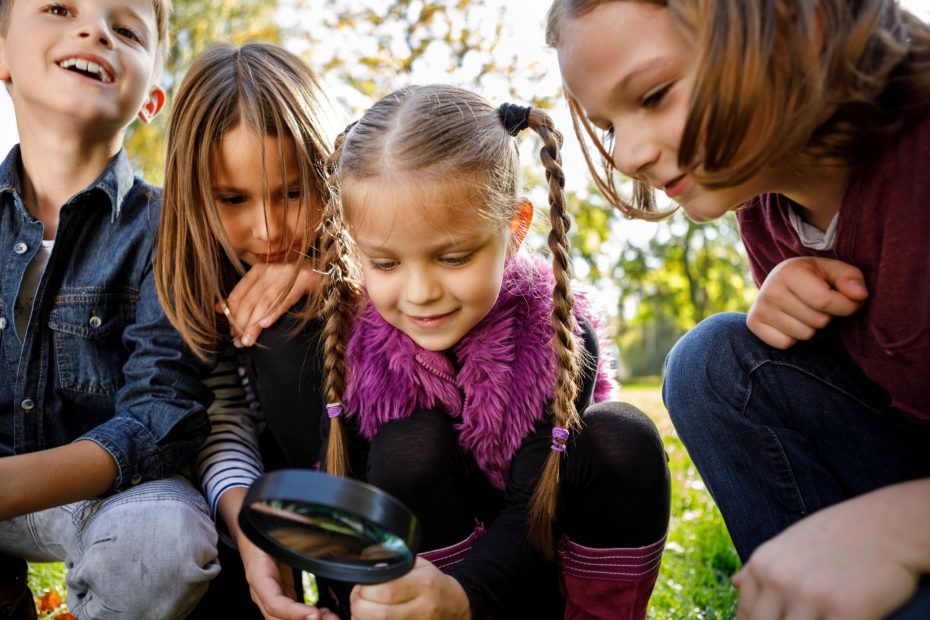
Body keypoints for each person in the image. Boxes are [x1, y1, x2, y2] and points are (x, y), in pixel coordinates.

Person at [546, 0, 930, 618]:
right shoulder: (767, 213)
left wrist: (899, 527)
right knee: (712, 361)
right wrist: (797, 323)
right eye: (611, 126)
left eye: (654, 95)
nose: (626, 156)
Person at [314, 84, 670, 620]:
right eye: (385, 264)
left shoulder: (551, 336)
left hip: (533, 577)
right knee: (410, 446)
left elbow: (531, 514)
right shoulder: (355, 341)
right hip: (419, 590)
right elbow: (345, 510)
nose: (419, 292)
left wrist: (462, 598)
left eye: (453, 257)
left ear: (516, 229)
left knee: (623, 436)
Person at [0, 0, 219, 618]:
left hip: (107, 496)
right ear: (3, 58)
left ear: (151, 97)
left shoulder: (169, 227)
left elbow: (159, 412)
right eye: (59, 8)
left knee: (165, 540)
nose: (94, 29)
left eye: (126, 30)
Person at [154, 42, 342, 620]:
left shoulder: (369, 250)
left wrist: (331, 276)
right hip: (242, 493)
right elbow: (222, 421)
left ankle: (347, 588)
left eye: (291, 192)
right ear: (195, 193)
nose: (268, 227)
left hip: (355, 485)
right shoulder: (187, 269)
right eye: (233, 199)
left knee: (286, 336)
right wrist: (252, 523)